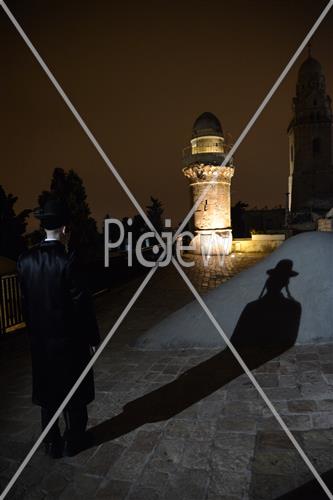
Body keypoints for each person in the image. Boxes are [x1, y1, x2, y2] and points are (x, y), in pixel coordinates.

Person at [17, 198, 100, 458]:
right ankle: (74, 440)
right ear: (65, 229)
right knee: (74, 395)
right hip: (69, 343)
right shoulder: (69, 262)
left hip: (41, 343)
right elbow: (82, 306)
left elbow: (26, 306)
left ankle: (52, 443)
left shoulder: (24, 261)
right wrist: (92, 338)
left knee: (48, 395)